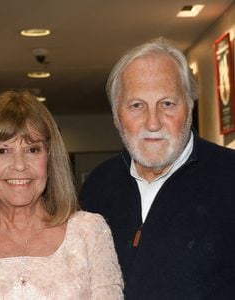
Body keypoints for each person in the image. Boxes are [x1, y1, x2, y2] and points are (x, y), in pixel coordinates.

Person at [80, 37, 235, 299]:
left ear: (189, 106)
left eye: (167, 104)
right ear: (117, 116)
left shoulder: (230, 177)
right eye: (137, 105)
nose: (153, 123)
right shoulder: (97, 186)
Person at [0, 90, 123, 299]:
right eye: (3, 150)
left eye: (32, 150)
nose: (19, 165)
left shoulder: (89, 232)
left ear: (49, 159)